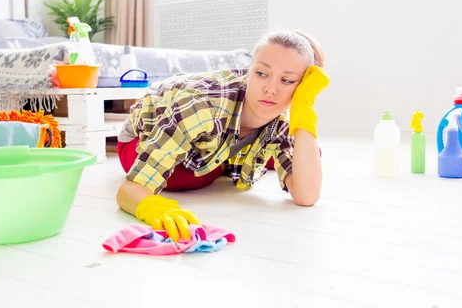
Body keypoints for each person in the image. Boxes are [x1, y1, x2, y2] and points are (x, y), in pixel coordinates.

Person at [115, 30, 330, 241]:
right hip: (139, 138)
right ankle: (236, 157)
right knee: (189, 180)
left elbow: (306, 196)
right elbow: (130, 190)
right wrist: (156, 209)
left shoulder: (282, 120)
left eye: (287, 81)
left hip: (216, 135)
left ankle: (238, 155)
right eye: (261, 74)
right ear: (249, 70)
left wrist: (304, 109)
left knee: (306, 149)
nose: (270, 89)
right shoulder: (201, 106)